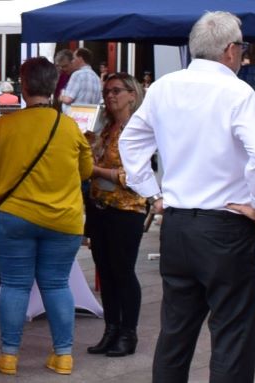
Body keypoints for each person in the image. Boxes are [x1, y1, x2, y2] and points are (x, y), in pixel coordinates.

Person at [118, 11, 255, 383]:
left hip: (177, 226)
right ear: (229, 51)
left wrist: (152, 193)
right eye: (242, 47)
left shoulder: (164, 87)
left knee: (175, 333)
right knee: (231, 334)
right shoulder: (237, 91)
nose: (242, 54)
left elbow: (132, 142)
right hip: (225, 226)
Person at [0, 57, 93, 376]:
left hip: (14, 217)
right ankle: (64, 355)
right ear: (55, 87)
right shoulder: (69, 127)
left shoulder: (5, 126)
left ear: (23, 86)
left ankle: (9, 356)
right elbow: (85, 170)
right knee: (57, 285)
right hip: (63, 220)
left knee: (15, 284)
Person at [85, 73, 146, 358]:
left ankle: (128, 333)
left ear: (132, 95)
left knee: (123, 271)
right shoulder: (105, 127)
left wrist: (96, 171)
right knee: (105, 271)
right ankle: (111, 329)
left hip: (127, 210)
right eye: (107, 91)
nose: (110, 96)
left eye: (117, 91)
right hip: (99, 207)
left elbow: (134, 176)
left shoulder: (139, 130)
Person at [59, 47, 102, 112]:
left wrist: (61, 96)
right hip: (89, 118)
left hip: (73, 118)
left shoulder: (77, 75)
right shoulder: (97, 78)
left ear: (80, 59)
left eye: (73, 58)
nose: (72, 61)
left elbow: (68, 99)